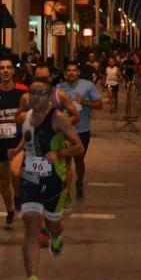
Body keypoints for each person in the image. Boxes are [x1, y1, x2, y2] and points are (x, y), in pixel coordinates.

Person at [9, 78, 84, 280]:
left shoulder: (58, 119)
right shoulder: (25, 118)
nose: (36, 97)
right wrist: (16, 150)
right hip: (31, 178)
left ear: (49, 95)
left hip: (53, 179)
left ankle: (57, 237)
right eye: (33, 92)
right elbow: (28, 140)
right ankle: (31, 279)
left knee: (53, 226)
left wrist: (59, 154)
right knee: (31, 226)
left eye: (41, 93)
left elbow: (78, 147)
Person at [0, 55, 28, 228]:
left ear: (13, 71)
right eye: (2, 68)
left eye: (8, 68)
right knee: (4, 181)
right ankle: (10, 210)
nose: (5, 71)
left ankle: (18, 197)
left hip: (18, 143)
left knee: (16, 174)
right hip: (0, 144)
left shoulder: (23, 91)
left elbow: (34, 117)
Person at [57, 60, 103, 200]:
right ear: (65, 73)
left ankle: (79, 181)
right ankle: (67, 192)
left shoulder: (87, 86)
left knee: (79, 161)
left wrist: (85, 103)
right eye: (68, 71)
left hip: (82, 130)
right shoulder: (60, 88)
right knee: (66, 161)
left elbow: (100, 105)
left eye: (74, 70)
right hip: (65, 130)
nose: (71, 73)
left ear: (78, 72)